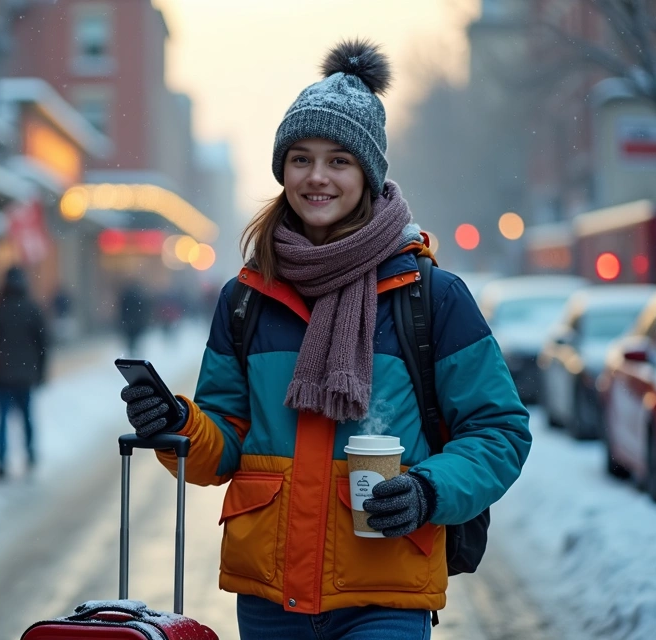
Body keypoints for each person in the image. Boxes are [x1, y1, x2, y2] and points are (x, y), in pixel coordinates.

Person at [118, 41, 531, 638]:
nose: (317, 177)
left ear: (368, 172)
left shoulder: (431, 297)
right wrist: (178, 424)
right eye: (301, 159)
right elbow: (225, 441)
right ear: (282, 169)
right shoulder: (246, 298)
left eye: (339, 160)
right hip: (270, 598)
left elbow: (499, 430)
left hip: (385, 593)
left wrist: (427, 489)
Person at [0, 267, 49, 479]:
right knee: (26, 417)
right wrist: (42, 372)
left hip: (2, 374)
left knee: (2, 419)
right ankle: (30, 455)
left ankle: (1, 463)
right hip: (25, 374)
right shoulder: (33, 309)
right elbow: (42, 345)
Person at [118, 282, 151, 356]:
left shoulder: (126, 297)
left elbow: (122, 310)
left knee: (131, 338)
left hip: (129, 322)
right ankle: (134, 350)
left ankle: (132, 350)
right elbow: (143, 310)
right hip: (137, 321)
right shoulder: (139, 297)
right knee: (136, 337)